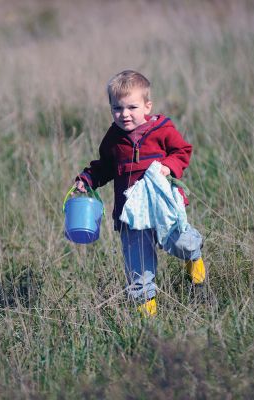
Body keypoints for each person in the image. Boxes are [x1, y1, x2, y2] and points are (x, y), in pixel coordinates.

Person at [74, 70, 206, 316]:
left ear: (147, 106)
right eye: (117, 108)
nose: (124, 114)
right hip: (131, 215)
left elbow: (182, 151)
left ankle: (194, 256)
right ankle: (148, 316)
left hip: (162, 208)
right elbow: (104, 166)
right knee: (138, 265)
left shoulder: (162, 129)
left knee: (181, 243)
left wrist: (169, 166)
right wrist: (87, 179)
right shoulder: (113, 139)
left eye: (132, 107)